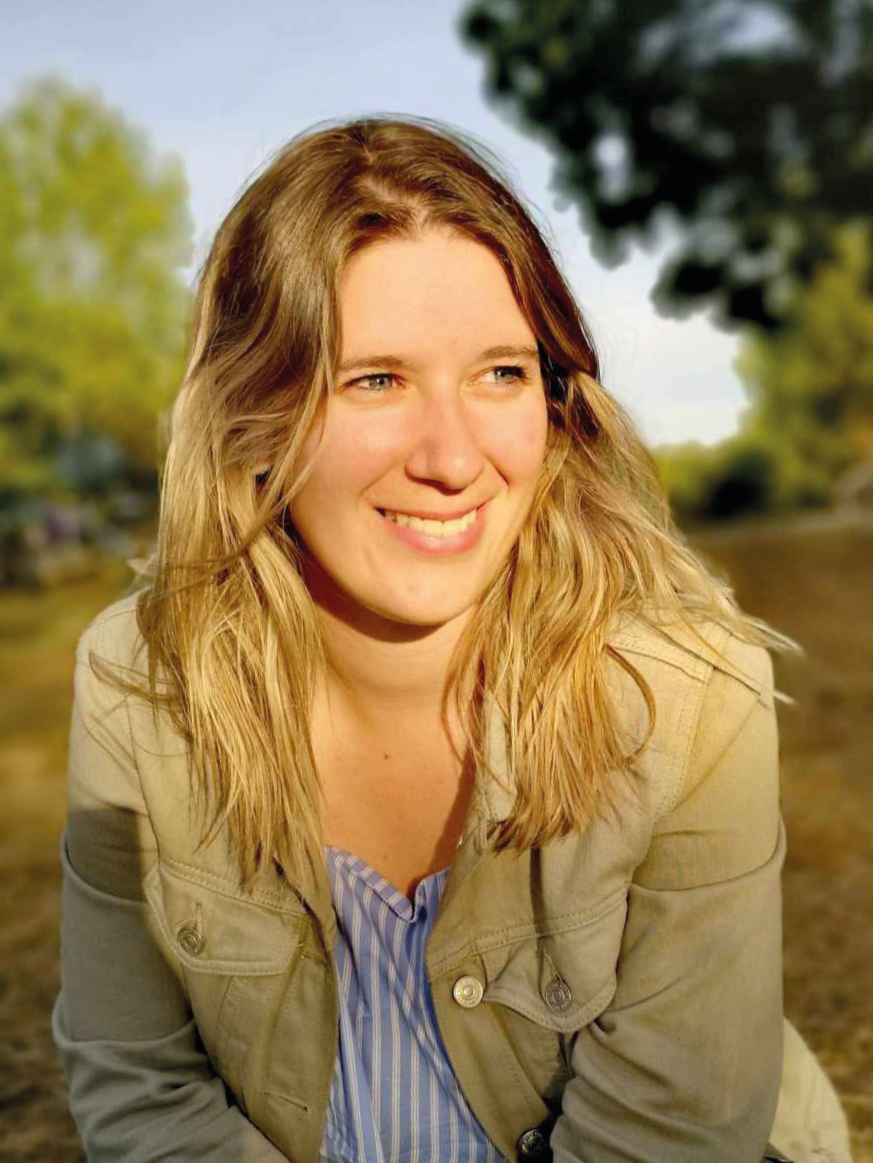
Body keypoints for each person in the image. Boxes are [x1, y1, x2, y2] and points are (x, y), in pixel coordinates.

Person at [51, 115, 854, 1163]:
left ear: (558, 401)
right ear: (252, 417)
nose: (453, 454)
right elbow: (142, 1088)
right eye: (374, 378)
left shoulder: (690, 693)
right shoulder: (138, 684)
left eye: (502, 373)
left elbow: (672, 1130)